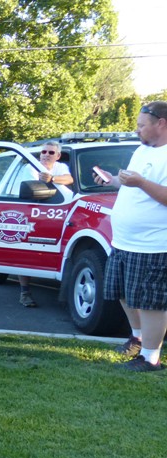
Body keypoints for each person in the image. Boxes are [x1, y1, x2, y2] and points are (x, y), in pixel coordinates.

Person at [94, 101, 167, 372]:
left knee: (150, 302)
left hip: (153, 245)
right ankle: (137, 338)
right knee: (123, 294)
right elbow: (132, 183)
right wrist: (113, 180)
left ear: (161, 123)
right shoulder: (141, 150)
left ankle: (150, 359)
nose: (137, 130)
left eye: (141, 125)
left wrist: (140, 182)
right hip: (123, 241)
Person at [18, 141, 75, 308]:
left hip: (60, 211)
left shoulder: (60, 167)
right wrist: (48, 181)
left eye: (51, 152)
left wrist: (53, 178)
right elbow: (35, 190)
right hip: (34, 212)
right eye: (43, 151)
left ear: (57, 156)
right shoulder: (30, 167)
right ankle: (24, 292)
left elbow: (69, 179)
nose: (46, 155)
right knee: (27, 252)